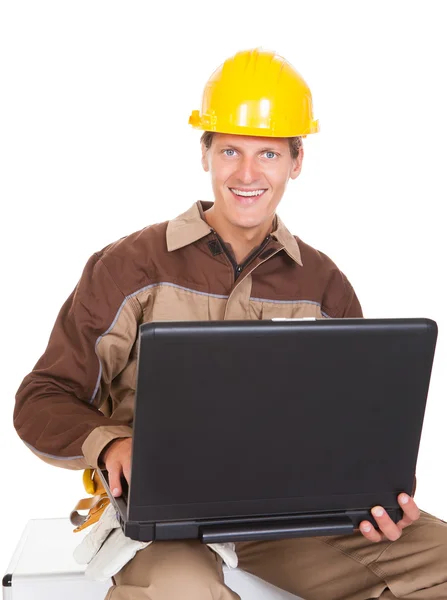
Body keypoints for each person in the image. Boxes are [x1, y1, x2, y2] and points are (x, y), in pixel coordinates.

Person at [14, 48, 447, 600]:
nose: (247, 173)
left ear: (296, 162)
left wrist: (380, 491)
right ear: (205, 155)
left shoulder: (324, 285)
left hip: (293, 519)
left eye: (267, 153)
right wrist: (111, 443)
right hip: (166, 520)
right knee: (179, 592)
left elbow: (355, 428)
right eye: (230, 151)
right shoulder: (130, 266)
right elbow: (42, 397)